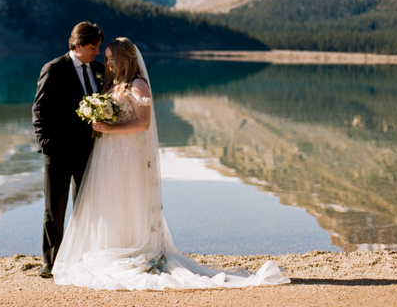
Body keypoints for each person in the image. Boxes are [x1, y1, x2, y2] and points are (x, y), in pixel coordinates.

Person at [51, 37, 290, 290]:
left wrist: (111, 127)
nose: (107, 62)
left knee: (127, 197)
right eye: (107, 57)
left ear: (125, 58)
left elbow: (143, 124)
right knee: (111, 199)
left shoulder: (138, 84)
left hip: (127, 155)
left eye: (112, 58)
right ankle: (113, 245)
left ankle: (133, 248)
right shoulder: (113, 83)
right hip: (109, 154)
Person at [32, 21, 105, 278]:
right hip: (58, 153)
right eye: (94, 46)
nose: (98, 51)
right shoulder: (54, 69)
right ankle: (50, 262)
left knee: (87, 207)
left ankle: (84, 258)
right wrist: (46, 145)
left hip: (90, 152)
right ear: (78, 45)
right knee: (55, 209)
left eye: (98, 46)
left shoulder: (99, 70)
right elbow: (39, 110)